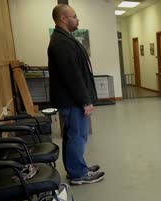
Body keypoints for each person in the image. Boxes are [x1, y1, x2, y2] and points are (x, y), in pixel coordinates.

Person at [48, 4, 105, 185]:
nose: (77, 19)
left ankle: (76, 168)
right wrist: (85, 101)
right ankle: (78, 174)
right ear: (64, 19)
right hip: (72, 101)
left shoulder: (64, 39)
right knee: (77, 136)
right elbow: (72, 76)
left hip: (72, 100)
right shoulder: (61, 42)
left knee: (73, 136)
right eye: (74, 16)